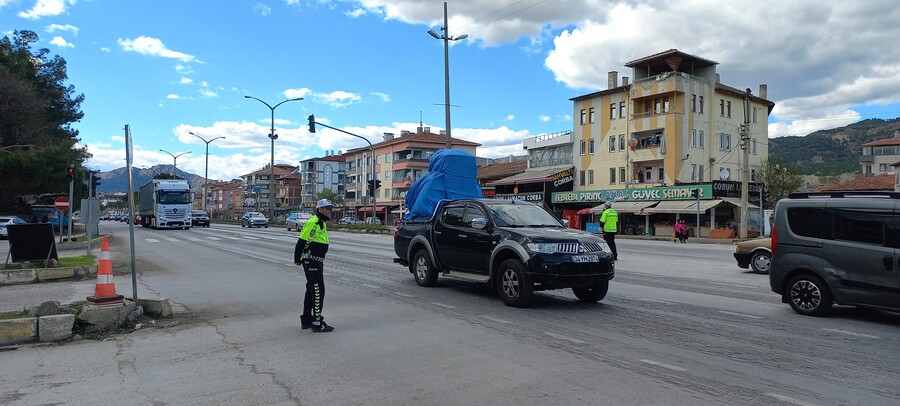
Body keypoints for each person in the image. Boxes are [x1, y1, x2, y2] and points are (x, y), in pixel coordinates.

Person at [294, 198, 335, 333]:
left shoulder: (321, 222)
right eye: (327, 208)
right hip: (312, 261)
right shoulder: (314, 222)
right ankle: (317, 322)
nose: (330, 211)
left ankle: (306, 319)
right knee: (318, 290)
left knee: (311, 289)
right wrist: (297, 259)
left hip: (316, 261)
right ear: (320, 209)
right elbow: (301, 242)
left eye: (330, 208)